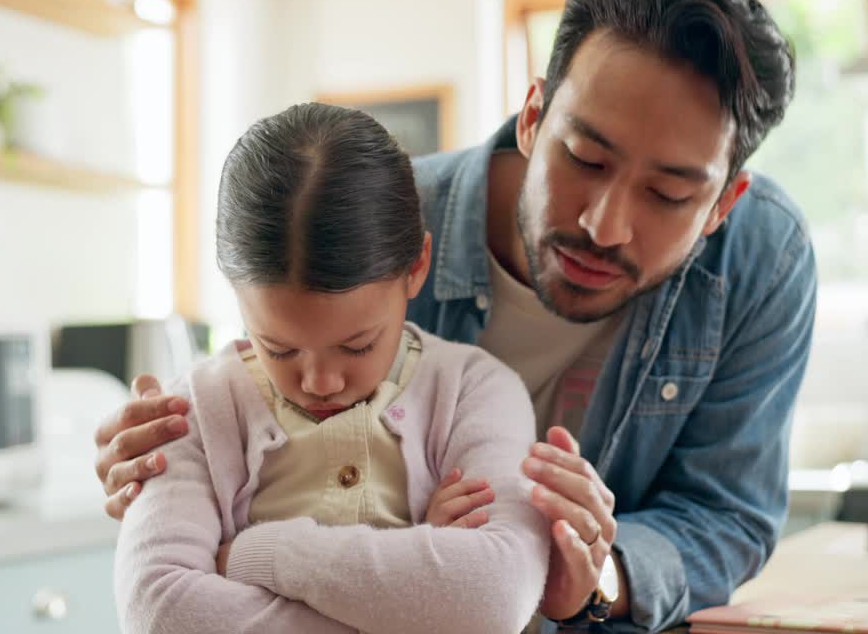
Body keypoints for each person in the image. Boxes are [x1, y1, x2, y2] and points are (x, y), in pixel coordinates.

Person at [97, 0, 813, 633]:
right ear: (534, 114)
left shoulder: (760, 260)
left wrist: (599, 577)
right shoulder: (379, 225)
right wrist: (155, 471)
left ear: (722, 204)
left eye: (668, 194)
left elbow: (727, 514)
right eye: (585, 158)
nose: (605, 224)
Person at [114, 103, 551, 634]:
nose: (320, 382)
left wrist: (262, 554)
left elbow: (494, 596)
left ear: (417, 267)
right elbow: (159, 612)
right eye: (279, 349)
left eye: (358, 345)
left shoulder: (476, 391)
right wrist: (418, 586)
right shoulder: (194, 411)